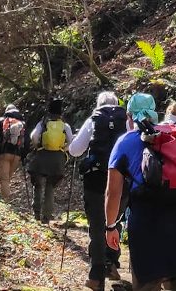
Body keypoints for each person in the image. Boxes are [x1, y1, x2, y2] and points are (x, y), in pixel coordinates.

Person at [104, 92, 176, 291]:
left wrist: (110, 226)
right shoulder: (174, 134)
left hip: (147, 224)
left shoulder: (125, 142)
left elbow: (113, 192)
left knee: (147, 285)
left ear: (130, 117)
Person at [70, 92, 130, 290]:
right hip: (120, 179)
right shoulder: (127, 120)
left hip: (95, 179)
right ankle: (111, 261)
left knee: (97, 225)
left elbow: (75, 150)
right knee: (114, 221)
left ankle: (96, 276)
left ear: (98, 104)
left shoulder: (93, 119)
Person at [29, 98, 73, 223]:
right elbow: (71, 141)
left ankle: (36, 212)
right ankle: (47, 216)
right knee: (50, 186)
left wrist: (37, 145)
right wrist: (63, 149)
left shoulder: (43, 123)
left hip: (42, 155)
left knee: (37, 184)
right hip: (57, 158)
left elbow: (34, 136)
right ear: (60, 113)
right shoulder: (65, 125)